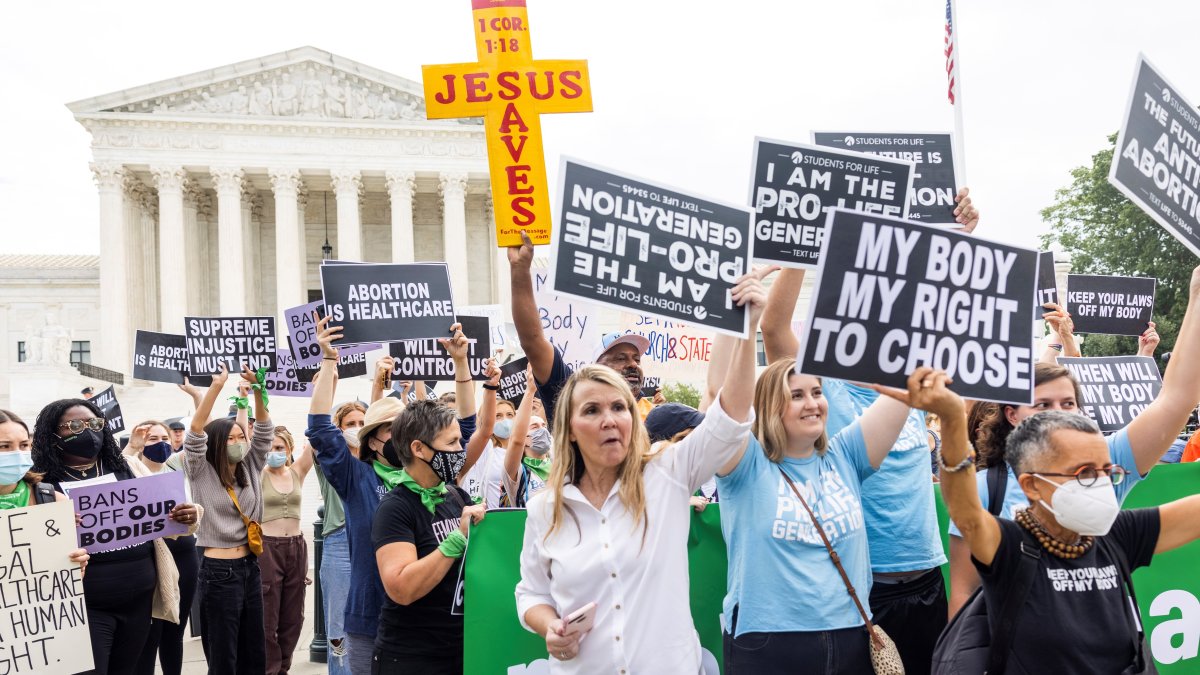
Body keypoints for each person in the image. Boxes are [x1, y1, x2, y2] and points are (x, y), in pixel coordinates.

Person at [515, 267, 768, 671]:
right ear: (570, 431)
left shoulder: (668, 471)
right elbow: (530, 594)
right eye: (592, 410)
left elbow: (729, 421)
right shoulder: (545, 508)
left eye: (619, 408)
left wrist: (748, 325)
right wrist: (550, 627)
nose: (609, 419)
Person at [947, 265, 1200, 617]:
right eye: (1043, 404)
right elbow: (963, 595)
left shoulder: (1112, 491)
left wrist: (1198, 296)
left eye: (1068, 403)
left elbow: (1176, 400)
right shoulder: (988, 489)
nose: (1059, 412)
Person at [760, 262, 960, 672]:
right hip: (860, 590)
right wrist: (800, 248)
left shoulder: (910, 391)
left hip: (927, 581)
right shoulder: (822, 391)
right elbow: (774, 329)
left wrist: (952, 233)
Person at [933, 382, 1200, 673]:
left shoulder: (1116, 534)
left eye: (1106, 471)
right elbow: (965, 510)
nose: (1099, 482)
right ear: (1032, 485)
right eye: (1083, 473)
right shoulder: (1010, 546)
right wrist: (951, 418)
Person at [306, 317, 484, 675]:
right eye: (388, 430)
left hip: (436, 625)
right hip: (375, 615)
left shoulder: (446, 487)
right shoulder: (358, 476)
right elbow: (319, 430)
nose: (396, 435)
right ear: (372, 441)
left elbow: (465, 426)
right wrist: (328, 361)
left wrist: (461, 363)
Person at [32, 399, 200, 675]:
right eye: (74, 425)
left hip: (140, 603)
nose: (87, 431)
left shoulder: (128, 467)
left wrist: (190, 515)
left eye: (95, 424)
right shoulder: (41, 483)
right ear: (53, 435)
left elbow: (169, 516)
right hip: (86, 608)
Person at [373, 400, 487, 673]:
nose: (460, 451)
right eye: (452, 443)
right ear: (419, 448)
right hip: (412, 656)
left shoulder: (456, 495)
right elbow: (401, 588)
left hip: (460, 650)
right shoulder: (395, 508)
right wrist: (456, 540)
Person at [507, 230, 654, 422]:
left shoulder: (654, 417)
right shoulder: (572, 395)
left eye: (637, 359)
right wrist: (519, 269)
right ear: (597, 366)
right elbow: (533, 342)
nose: (634, 364)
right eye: (620, 358)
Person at [185, 364, 274, 674]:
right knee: (224, 657)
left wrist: (259, 389)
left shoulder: (250, 467)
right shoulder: (201, 470)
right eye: (232, 437)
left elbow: (263, 432)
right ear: (218, 443)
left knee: (254, 652)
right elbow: (195, 433)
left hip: (250, 566)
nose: (240, 440)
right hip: (218, 572)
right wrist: (216, 388)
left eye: (241, 435)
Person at [126, 420, 202, 675]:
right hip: (151, 557)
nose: (161, 444)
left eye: (164, 438)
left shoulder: (178, 469)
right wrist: (131, 447)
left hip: (183, 551)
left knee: (174, 630)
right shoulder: (131, 470)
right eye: (152, 439)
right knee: (149, 633)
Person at [0, 408, 90, 561]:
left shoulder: (53, 501)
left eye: (23, 445)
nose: (17, 453)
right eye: (4, 446)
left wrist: (75, 567)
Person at [261, 425, 314, 675]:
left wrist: (326, 385)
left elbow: (317, 435)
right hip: (267, 548)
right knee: (267, 617)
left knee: (294, 618)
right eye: (269, 447)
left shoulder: (297, 472)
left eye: (279, 447)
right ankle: (270, 670)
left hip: (296, 547)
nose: (274, 452)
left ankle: (283, 667)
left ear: (289, 449)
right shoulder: (257, 474)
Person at [320, 400, 365, 674]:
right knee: (338, 629)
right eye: (350, 424)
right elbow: (319, 427)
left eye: (362, 423)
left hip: (370, 541)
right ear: (339, 429)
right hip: (338, 543)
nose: (357, 428)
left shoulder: (377, 461)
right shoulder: (330, 458)